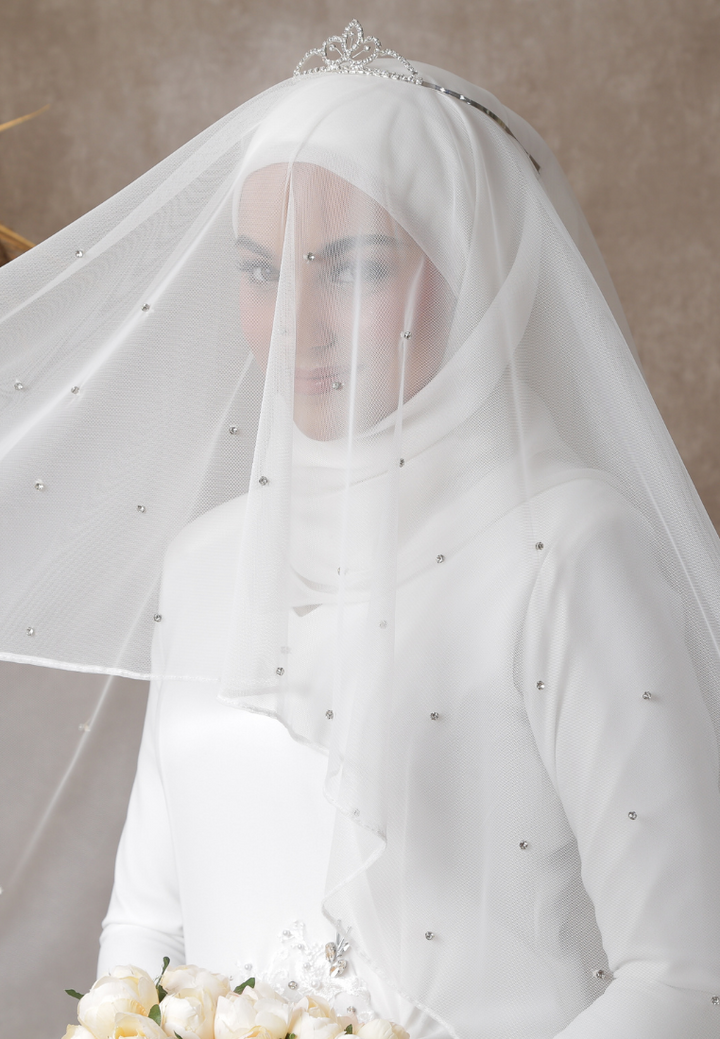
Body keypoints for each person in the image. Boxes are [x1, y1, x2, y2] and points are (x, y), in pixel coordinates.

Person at [3, 20, 720, 1039]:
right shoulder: (207, 562)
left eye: (353, 267)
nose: (300, 323)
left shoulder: (569, 549)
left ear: (474, 264)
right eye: (262, 271)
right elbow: (147, 924)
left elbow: (689, 976)